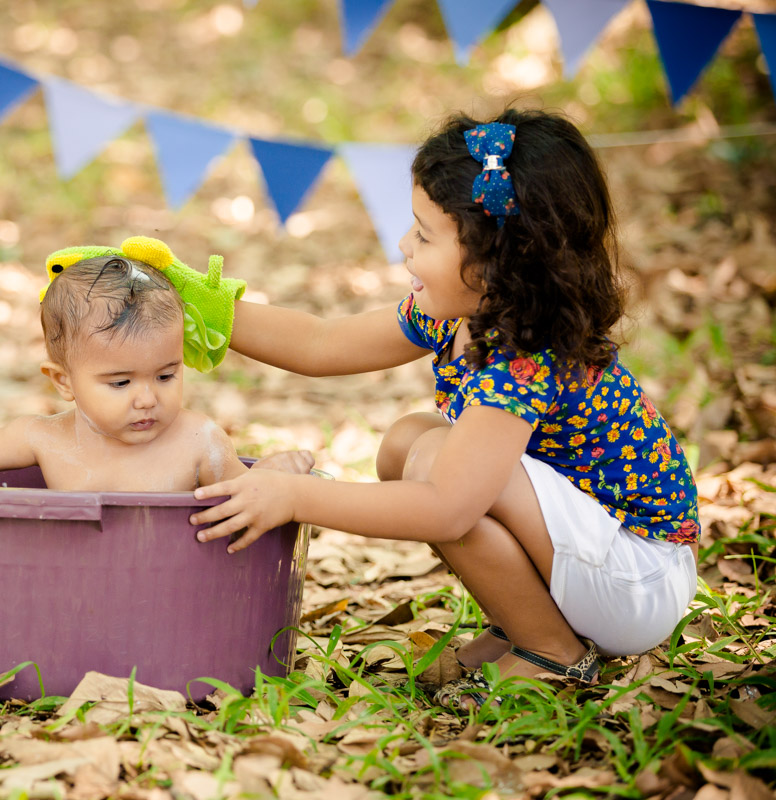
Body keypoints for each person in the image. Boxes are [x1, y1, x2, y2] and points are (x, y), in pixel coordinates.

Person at [169, 108, 700, 708]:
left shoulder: (526, 354)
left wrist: (296, 496)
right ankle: (523, 625)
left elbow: (448, 508)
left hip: (637, 579)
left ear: (499, 260)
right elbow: (322, 342)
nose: (403, 245)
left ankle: (554, 652)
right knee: (407, 443)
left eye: (423, 235)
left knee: (436, 463)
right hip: (590, 557)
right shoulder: (462, 310)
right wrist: (201, 306)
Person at [0, 254, 312, 494]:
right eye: (120, 382)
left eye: (166, 375)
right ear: (63, 380)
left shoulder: (200, 442)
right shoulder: (47, 439)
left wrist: (276, 474)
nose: (147, 399)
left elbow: (249, 498)